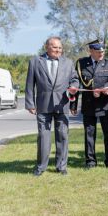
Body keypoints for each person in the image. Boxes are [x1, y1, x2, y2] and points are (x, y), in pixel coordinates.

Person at [25, 36, 79, 176]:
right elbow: (30, 84)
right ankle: (41, 167)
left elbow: (74, 79)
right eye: (55, 47)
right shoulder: (35, 61)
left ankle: (61, 166)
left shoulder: (68, 62)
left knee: (62, 135)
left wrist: (74, 86)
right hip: (43, 105)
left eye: (60, 47)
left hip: (62, 104)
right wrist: (30, 103)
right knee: (43, 136)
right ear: (47, 47)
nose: (58, 50)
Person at [70, 40, 108, 169]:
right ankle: (90, 161)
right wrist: (73, 105)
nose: (101, 53)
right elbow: (77, 84)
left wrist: (104, 89)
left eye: (103, 51)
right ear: (91, 51)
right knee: (89, 134)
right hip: (89, 103)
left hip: (105, 103)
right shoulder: (81, 63)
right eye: (98, 52)